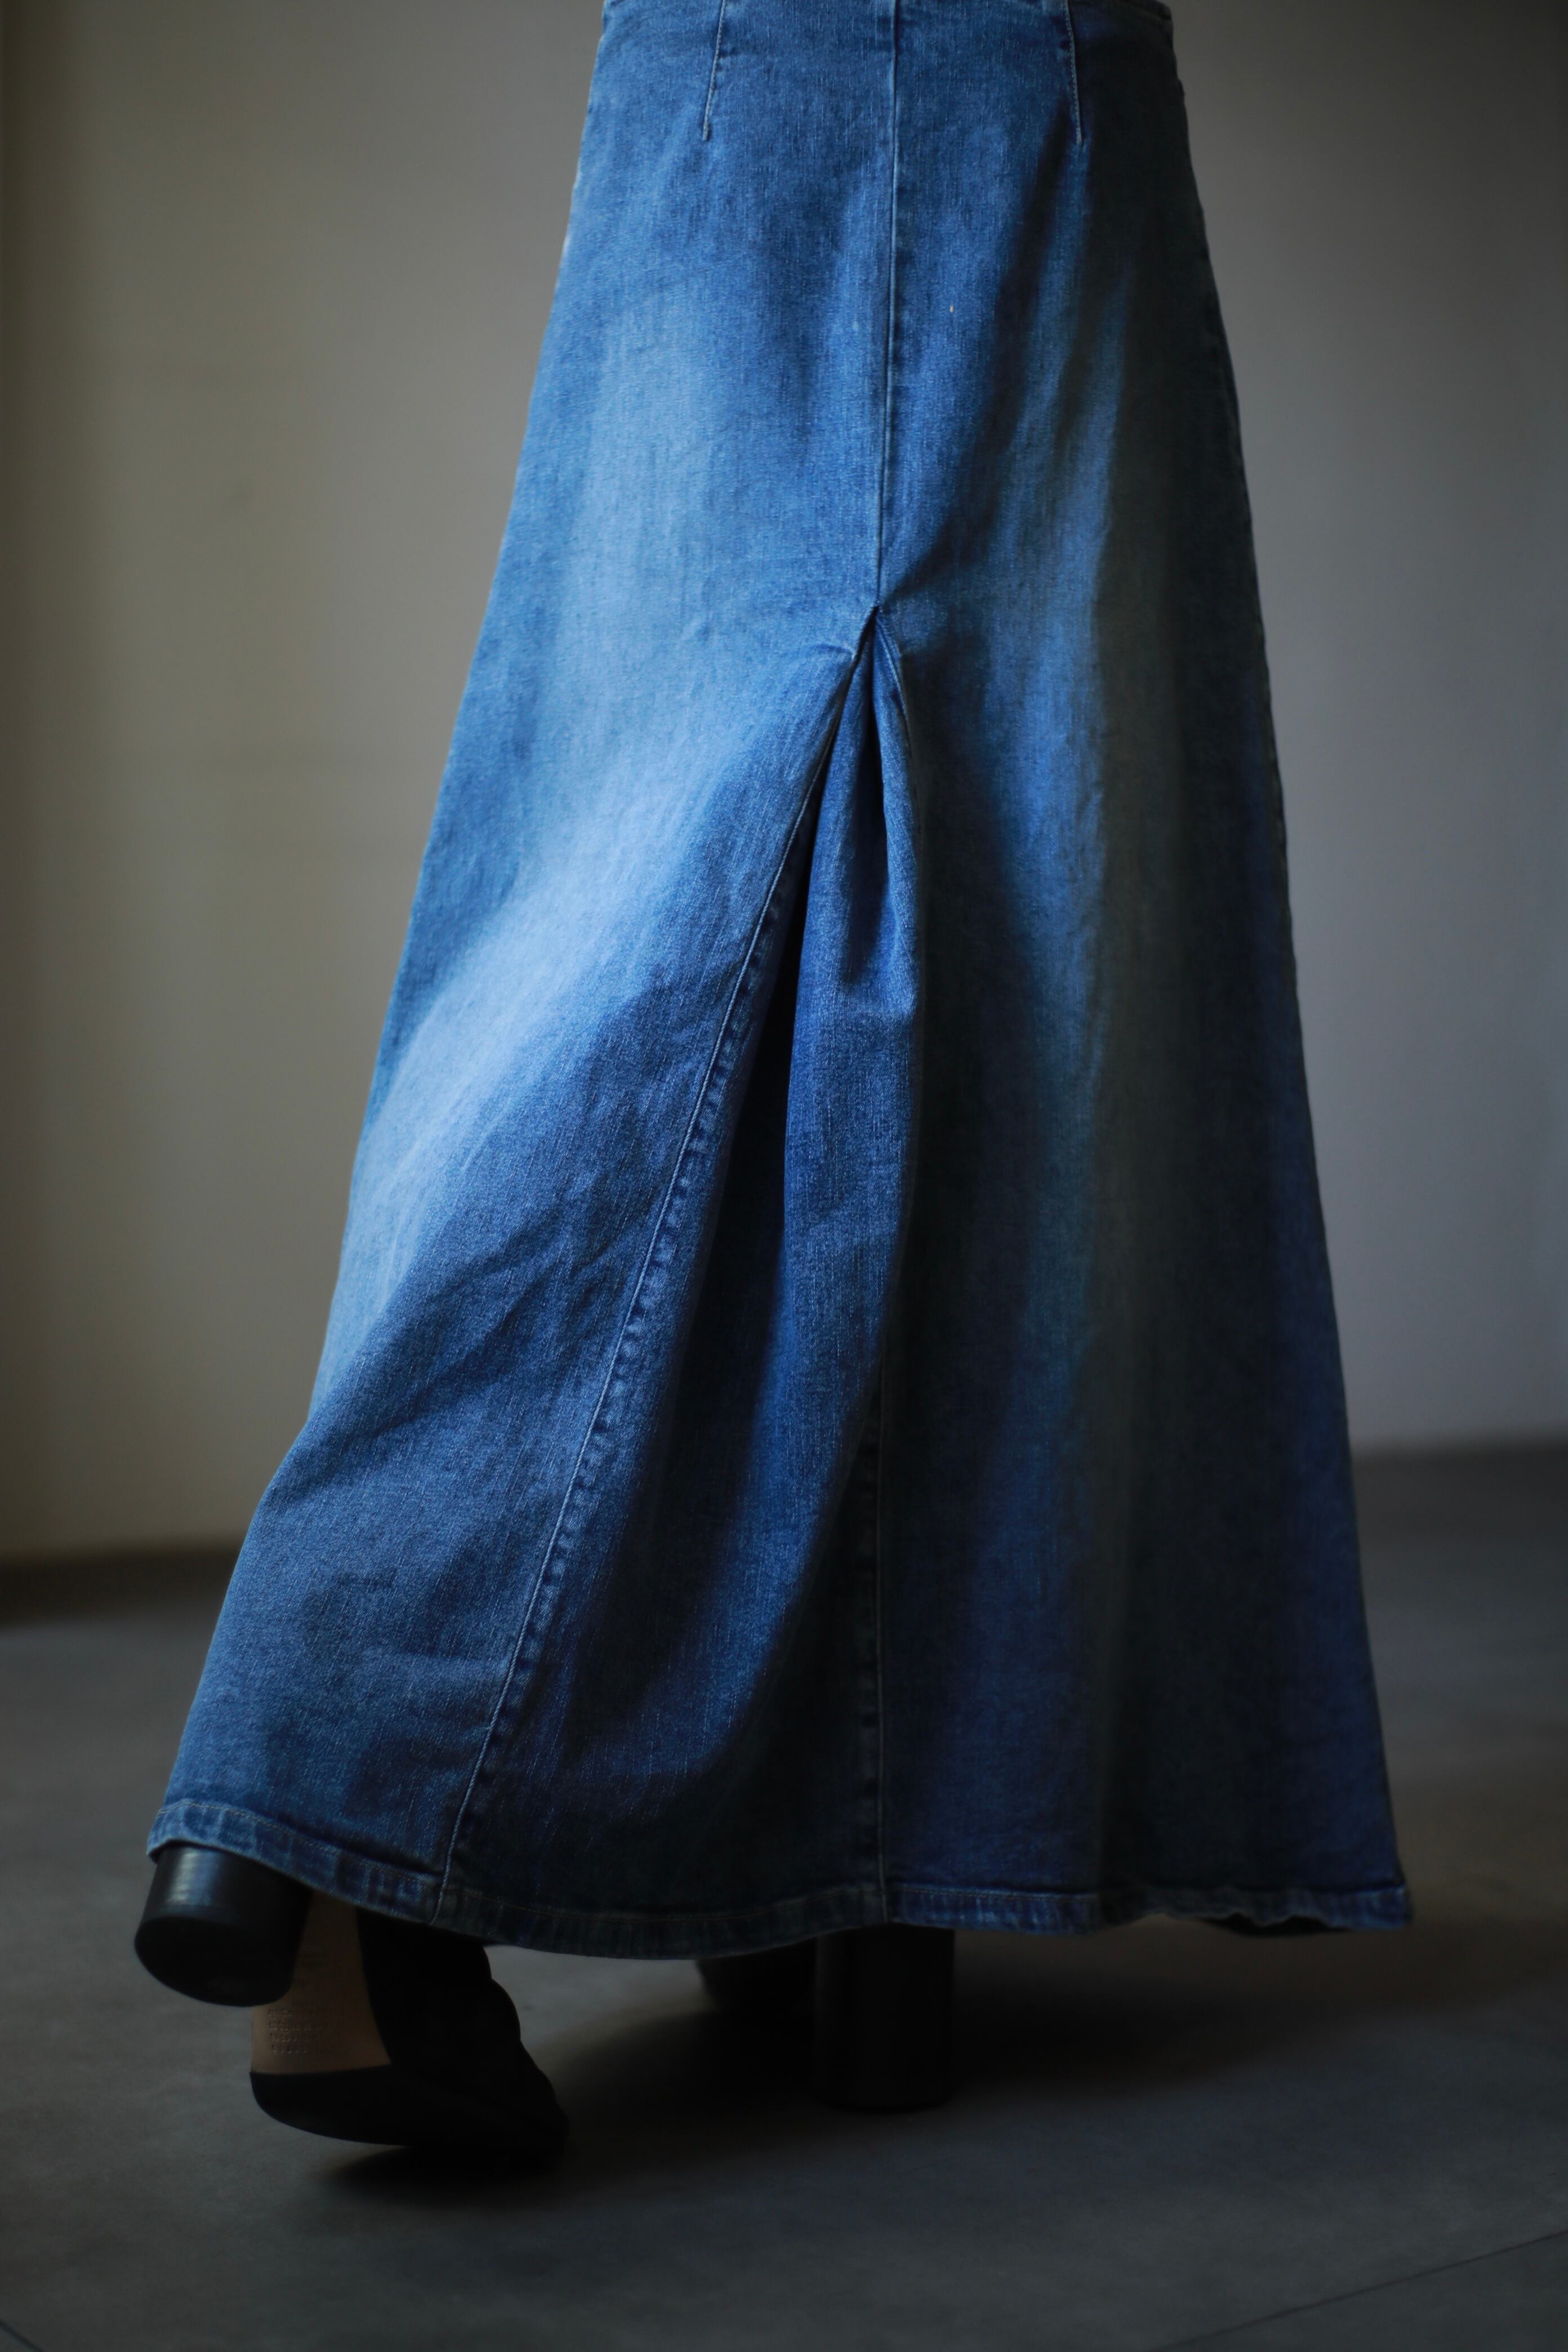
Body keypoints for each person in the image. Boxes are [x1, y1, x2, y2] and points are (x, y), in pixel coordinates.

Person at [136, 0, 1409, 2161]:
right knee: (995, 927)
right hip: (1001, 94)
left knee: (695, 898)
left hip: (711, 83)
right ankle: (321, 1806)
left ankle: (811, 1837)